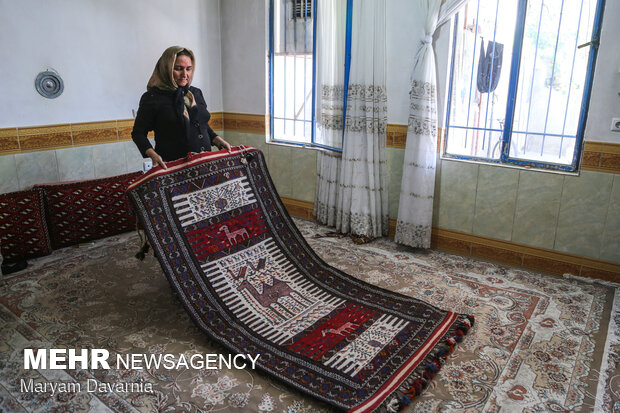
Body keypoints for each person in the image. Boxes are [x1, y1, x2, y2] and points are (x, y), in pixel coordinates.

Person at [132, 46, 231, 169]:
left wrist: (216, 139)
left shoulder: (195, 93)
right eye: (178, 69)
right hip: (173, 166)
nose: (185, 74)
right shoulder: (153, 97)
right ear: (166, 68)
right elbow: (138, 133)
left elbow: (199, 124)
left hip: (204, 163)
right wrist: (153, 154)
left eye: (189, 69)